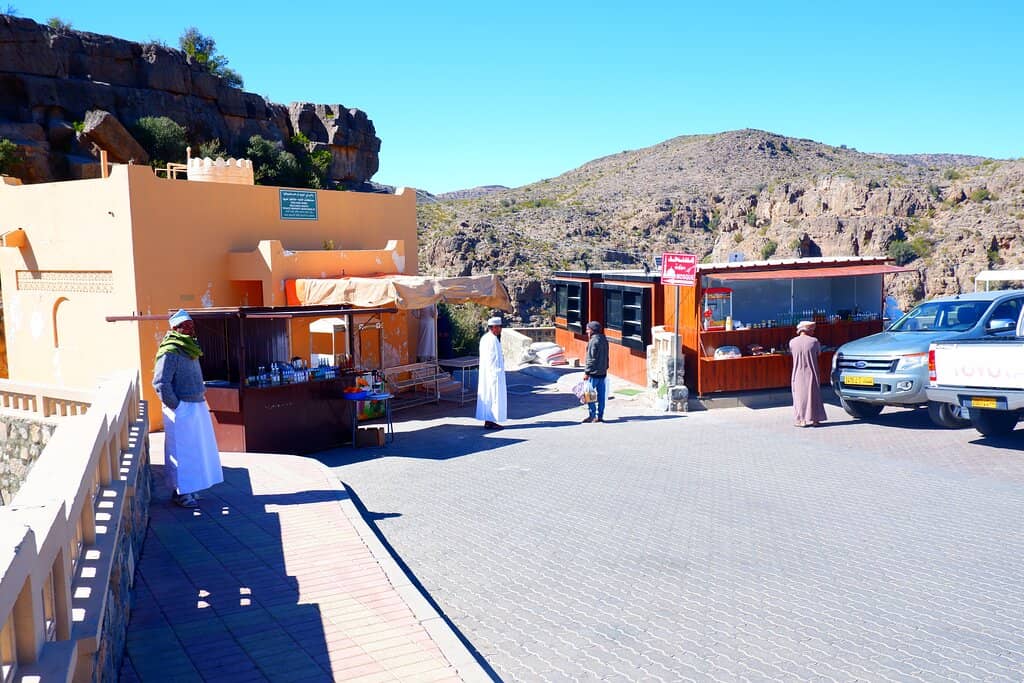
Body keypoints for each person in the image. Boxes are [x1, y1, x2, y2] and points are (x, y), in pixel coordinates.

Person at [153, 309, 223, 507]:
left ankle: (191, 488)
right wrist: (177, 406)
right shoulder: (170, 351)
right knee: (181, 451)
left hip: (196, 406)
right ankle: (181, 492)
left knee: (196, 451)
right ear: (176, 328)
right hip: (182, 408)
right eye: (186, 325)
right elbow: (160, 383)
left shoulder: (189, 348)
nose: (191, 328)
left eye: (191, 324)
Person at [789, 319, 827, 427]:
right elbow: (818, 353)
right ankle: (815, 420)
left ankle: (801, 420)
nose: (813, 332)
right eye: (812, 330)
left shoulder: (792, 342)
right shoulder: (814, 341)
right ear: (808, 329)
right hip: (812, 372)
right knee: (813, 395)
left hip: (797, 373)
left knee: (799, 396)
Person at [475, 315, 507, 430]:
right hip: (494, 373)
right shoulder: (493, 340)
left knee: (488, 396)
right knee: (494, 397)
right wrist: (498, 372)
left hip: (487, 373)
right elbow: (495, 359)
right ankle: (491, 420)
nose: (500, 329)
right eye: (499, 327)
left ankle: (489, 420)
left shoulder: (485, 338)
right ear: (493, 327)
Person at [582, 321, 609, 423]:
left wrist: (587, 372)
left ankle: (592, 414)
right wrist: (605, 367)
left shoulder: (593, 341)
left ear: (592, 330)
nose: (586, 331)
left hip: (593, 373)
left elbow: (591, 358)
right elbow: (606, 357)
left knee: (589, 394)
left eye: (588, 329)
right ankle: (600, 415)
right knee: (601, 396)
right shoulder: (604, 339)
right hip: (603, 372)